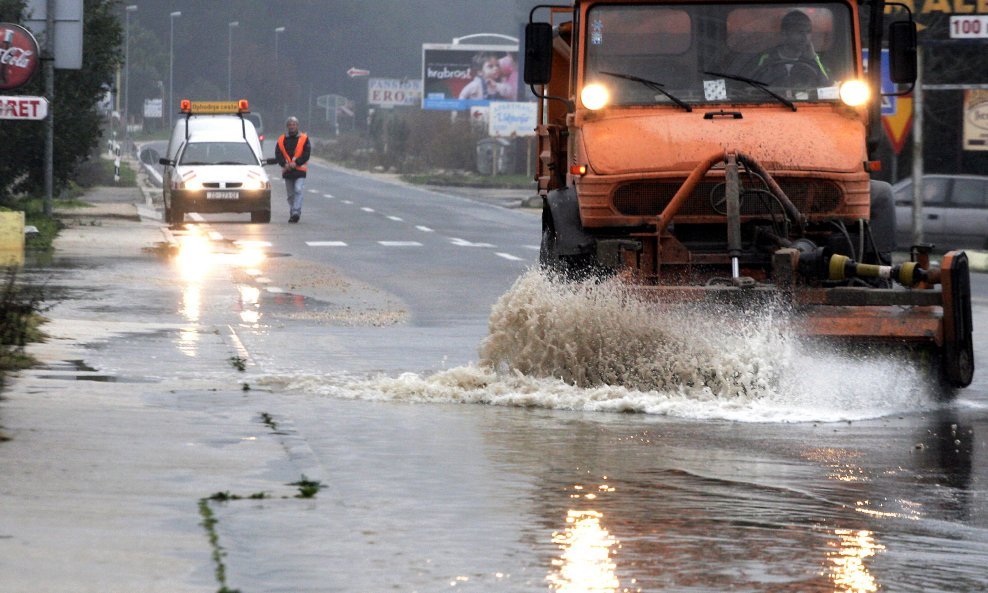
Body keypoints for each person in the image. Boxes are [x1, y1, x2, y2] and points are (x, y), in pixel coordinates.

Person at [752, 10, 829, 87]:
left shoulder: (816, 59)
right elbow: (752, 86)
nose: (805, 37)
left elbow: (829, 87)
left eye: (808, 32)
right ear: (784, 34)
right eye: (799, 32)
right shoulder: (765, 59)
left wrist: (813, 59)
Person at [274, 116, 311, 223]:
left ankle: (296, 211)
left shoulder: (304, 138)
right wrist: (284, 164)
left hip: (300, 170)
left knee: (298, 189)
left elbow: (306, 153)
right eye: (290, 125)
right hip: (287, 170)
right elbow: (278, 154)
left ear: (297, 126)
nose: (292, 127)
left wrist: (297, 163)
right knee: (290, 195)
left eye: (294, 124)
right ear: (287, 126)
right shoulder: (281, 139)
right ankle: (293, 211)